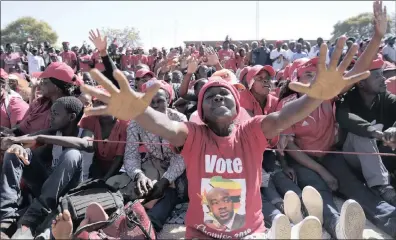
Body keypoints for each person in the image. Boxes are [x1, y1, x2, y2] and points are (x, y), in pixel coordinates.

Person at [81, 35, 370, 239]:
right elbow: (166, 128)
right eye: (211, 96)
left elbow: (284, 117)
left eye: (225, 95)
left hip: (250, 233)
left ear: (237, 109)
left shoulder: (253, 131)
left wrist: (315, 98)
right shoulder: (193, 134)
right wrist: (138, 111)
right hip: (200, 234)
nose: (219, 97)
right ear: (201, 113)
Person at [0, 96, 92, 239]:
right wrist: (18, 145)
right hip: (50, 188)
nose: (50, 117)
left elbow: (84, 144)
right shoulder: (54, 132)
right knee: (15, 153)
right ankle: (7, 216)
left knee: (72, 154)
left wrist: (40, 139)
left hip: (72, 191)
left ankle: (34, 215)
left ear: (71, 117)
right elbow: (32, 137)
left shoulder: (85, 133)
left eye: (56, 114)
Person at [122, 80, 187, 233]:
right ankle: (128, 217)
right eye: (150, 102)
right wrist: (138, 175)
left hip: (180, 166)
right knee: (142, 187)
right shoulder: (135, 123)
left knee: (172, 190)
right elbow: (131, 156)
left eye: (160, 101)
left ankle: (150, 224)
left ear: (169, 101)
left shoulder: (180, 120)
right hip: (154, 163)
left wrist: (165, 180)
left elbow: (182, 156)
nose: (155, 105)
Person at [336, 58, 396, 206]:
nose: (383, 79)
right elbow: (344, 117)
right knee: (361, 133)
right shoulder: (347, 99)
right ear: (361, 83)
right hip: (354, 159)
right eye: (377, 76)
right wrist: (373, 132)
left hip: (381, 156)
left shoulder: (385, 97)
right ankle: (381, 186)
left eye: (383, 74)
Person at [1, 62, 82, 136]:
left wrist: (18, 141)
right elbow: (21, 127)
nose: (40, 84)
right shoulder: (38, 103)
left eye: (44, 81)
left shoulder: (67, 111)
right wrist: (9, 133)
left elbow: (49, 140)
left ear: (56, 87)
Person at [79, 86, 128, 179]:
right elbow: (86, 151)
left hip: (117, 170)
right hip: (93, 167)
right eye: (97, 102)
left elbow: (119, 157)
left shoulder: (124, 123)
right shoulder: (87, 121)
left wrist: (106, 178)